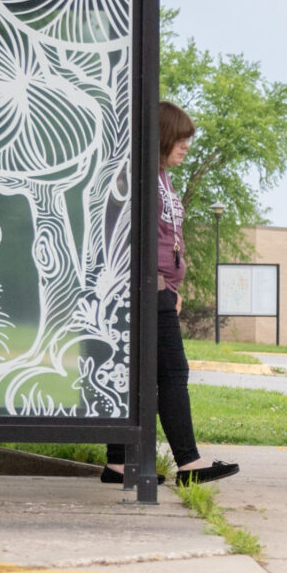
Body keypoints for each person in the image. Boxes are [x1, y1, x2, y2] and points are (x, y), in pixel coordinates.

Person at [104, 100, 239, 489]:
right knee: (173, 373)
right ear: (161, 136)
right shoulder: (139, 176)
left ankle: (117, 466)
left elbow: (169, 238)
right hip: (142, 291)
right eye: (179, 139)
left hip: (160, 291)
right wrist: (159, 283)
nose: (185, 147)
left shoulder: (162, 177)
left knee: (135, 375)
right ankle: (188, 463)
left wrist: (173, 287)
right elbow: (131, 235)